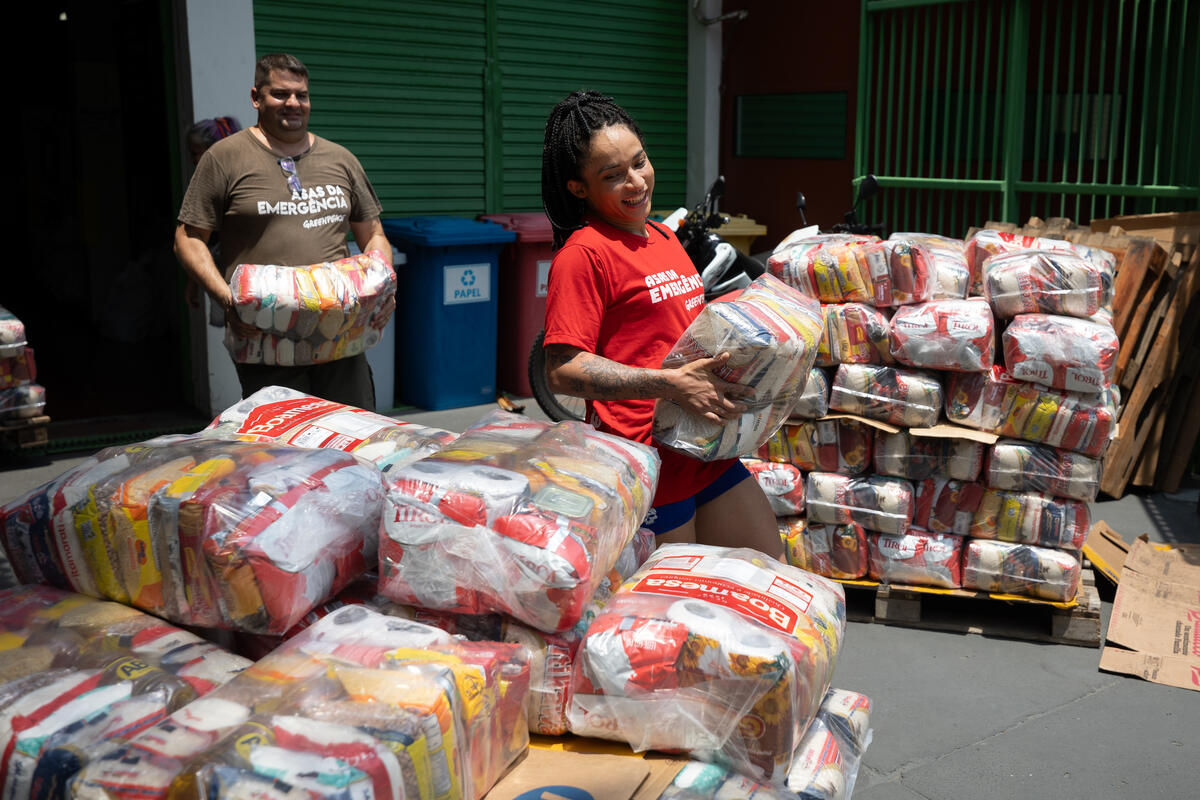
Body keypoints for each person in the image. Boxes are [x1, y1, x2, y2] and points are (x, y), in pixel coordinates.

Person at [539, 90, 781, 557]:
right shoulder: (583, 255)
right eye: (613, 176)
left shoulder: (663, 235)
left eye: (640, 162)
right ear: (578, 187)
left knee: (766, 570)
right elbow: (562, 369)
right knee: (674, 611)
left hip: (706, 449)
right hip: (646, 464)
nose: (636, 182)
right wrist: (670, 384)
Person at [174, 53, 394, 410]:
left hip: (340, 336)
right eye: (280, 94)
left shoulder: (341, 159)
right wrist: (226, 299)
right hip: (265, 338)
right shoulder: (224, 158)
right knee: (282, 452)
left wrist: (382, 290)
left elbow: (373, 235)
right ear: (255, 97)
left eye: (301, 95)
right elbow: (188, 238)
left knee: (352, 440)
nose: (293, 103)